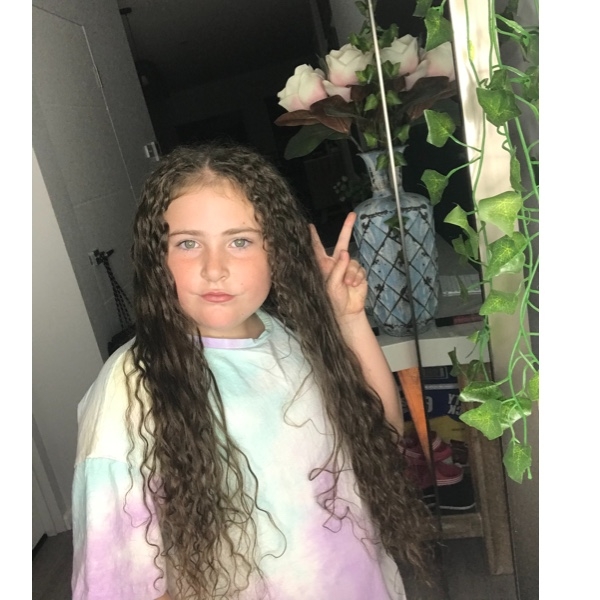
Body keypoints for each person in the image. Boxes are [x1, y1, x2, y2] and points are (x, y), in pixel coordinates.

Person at [71, 142, 434, 600]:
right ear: (156, 256)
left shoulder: (286, 336)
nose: (215, 269)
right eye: (188, 243)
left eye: (240, 241)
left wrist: (348, 318)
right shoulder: (131, 386)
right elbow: (116, 581)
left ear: (275, 252)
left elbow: (381, 431)